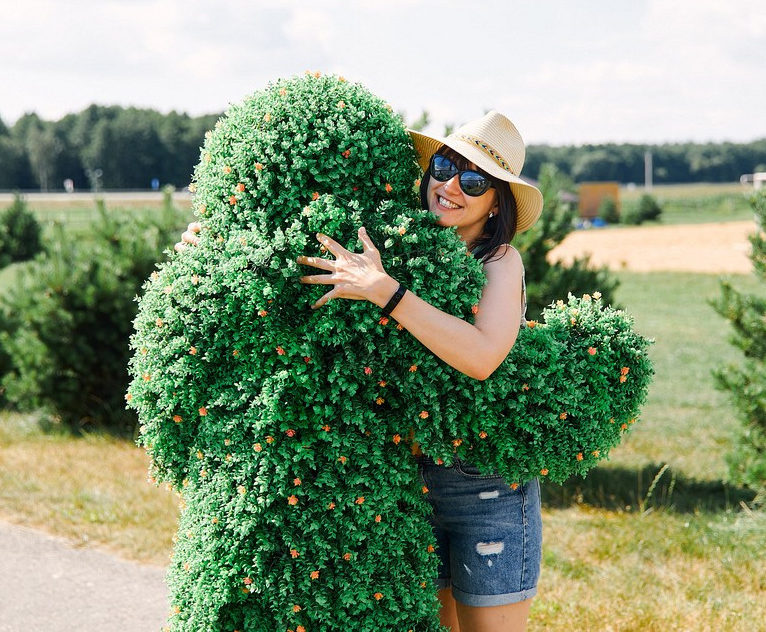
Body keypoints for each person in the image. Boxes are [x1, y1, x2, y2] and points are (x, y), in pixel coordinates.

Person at [178, 110, 544, 632]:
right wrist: (215, 245)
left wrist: (385, 291)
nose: (449, 186)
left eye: (473, 180)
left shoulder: (499, 261)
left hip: (483, 487)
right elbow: (301, 255)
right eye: (444, 166)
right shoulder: (398, 242)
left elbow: (482, 357)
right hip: (405, 480)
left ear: (496, 202)